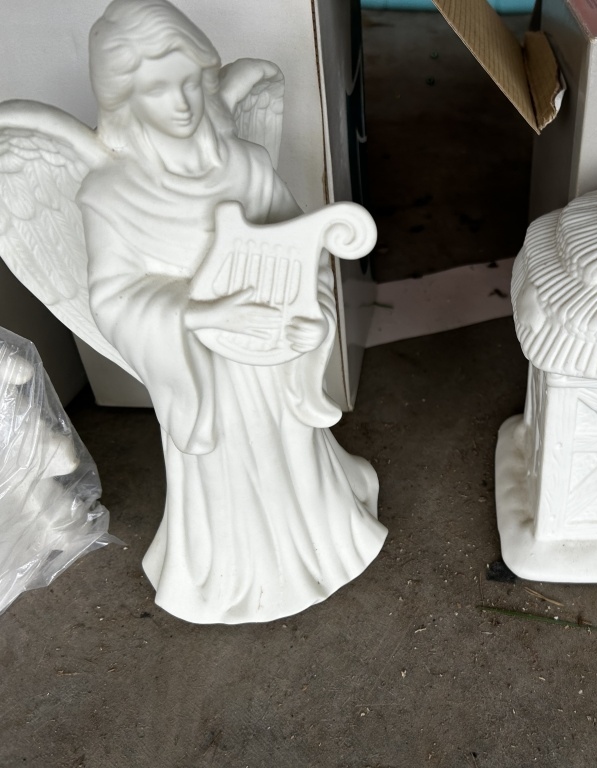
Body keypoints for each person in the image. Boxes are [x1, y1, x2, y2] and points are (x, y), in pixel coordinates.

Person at [77, 0, 386, 623]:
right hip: (204, 375)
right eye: (157, 89)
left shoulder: (246, 163)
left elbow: (301, 248)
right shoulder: (109, 193)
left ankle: (321, 545)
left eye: (191, 81)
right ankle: (232, 575)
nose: (182, 103)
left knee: (296, 455)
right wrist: (202, 316)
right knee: (226, 474)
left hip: (270, 358)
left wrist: (309, 317)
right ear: (125, 99)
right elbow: (113, 299)